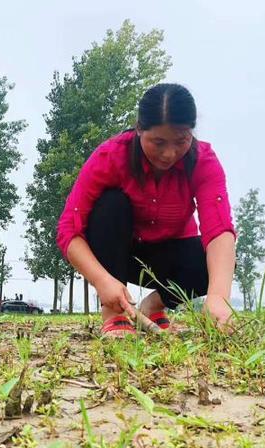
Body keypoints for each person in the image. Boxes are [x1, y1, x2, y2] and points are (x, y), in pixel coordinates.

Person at [56, 83, 236, 337]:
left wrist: (219, 297)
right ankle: (114, 315)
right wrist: (101, 280)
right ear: (139, 129)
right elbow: (68, 229)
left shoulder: (203, 161)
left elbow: (218, 230)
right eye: (158, 142)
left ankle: (153, 305)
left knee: (220, 259)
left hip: (171, 259)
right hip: (122, 255)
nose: (169, 154)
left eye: (181, 140)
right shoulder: (111, 156)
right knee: (110, 205)